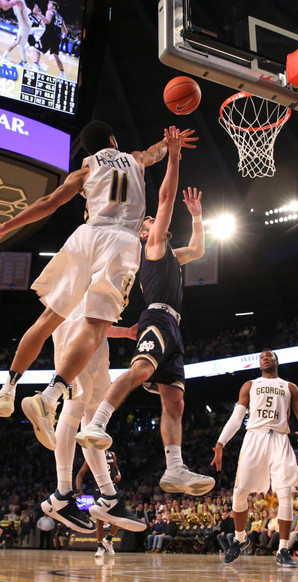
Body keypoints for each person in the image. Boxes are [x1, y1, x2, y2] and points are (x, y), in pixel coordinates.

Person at [0, 122, 195, 441]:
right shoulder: (134, 158)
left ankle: (7, 389)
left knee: (48, 319)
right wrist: (168, 144)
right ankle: (49, 396)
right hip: (121, 241)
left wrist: (6, 226)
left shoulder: (85, 168)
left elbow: (49, 203)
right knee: (95, 328)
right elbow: (156, 153)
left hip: (86, 236)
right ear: (113, 140)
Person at [74, 141, 214, 497]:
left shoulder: (167, 253)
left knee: (175, 401)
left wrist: (197, 216)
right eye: (148, 221)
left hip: (173, 327)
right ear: (143, 232)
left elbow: (198, 250)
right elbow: (165, 201)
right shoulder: (150, 249)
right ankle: (98, 423)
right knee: (141, 371)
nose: (154, 220)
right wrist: (175, 158)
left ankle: (174, 468)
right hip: (158, 317)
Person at [38, 301, 144, 539]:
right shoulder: (83, 274)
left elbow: (100, 320)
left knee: (94, 417)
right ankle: (62, 494)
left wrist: (125, 332)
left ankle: (109, 496)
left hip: (95, 334)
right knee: (74, 404)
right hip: (76, 327)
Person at [210, 349, 298, 567]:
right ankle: (240, 540)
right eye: (262, 357)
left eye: (269, 355)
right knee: (239, 493)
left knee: (285, 493)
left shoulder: (289, 387)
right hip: (254, 437)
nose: (265, 358)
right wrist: (220, 443)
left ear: (277, 361)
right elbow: (237, 418)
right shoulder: (250, 385)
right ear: (259, 364)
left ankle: (283, 549)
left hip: (279, 439)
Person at [29, 1, 68, 78]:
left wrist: (38, 14)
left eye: (49, 4)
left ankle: (36, 66)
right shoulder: (60, 16)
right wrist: (57, 30)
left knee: (35, 48)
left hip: (48, 35)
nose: (47, 5)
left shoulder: (50, 11)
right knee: (56, 56)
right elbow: (65, 31)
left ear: (54, 7)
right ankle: (62, 73)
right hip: (57, 37)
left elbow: (47, 21)